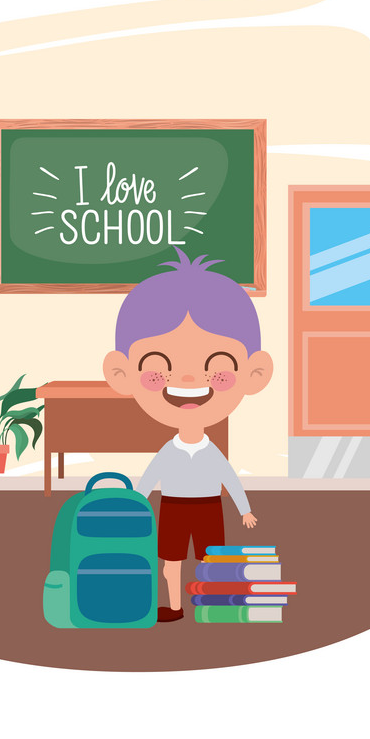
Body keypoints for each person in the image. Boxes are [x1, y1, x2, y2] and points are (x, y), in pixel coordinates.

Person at [102, 250, 273, 622]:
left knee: (213, 560)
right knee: (171, 561)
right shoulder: (168, 450)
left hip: (209, 507)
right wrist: (136, 502)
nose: (190, 381)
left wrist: (244, 510)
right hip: (174, 508)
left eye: (219, 370)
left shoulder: (212, 452)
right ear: (122, 373)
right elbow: (148, 480)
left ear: (254, 374)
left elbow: (230, 478)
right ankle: (175, 606)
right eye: (159, 370)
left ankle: (211, 604)